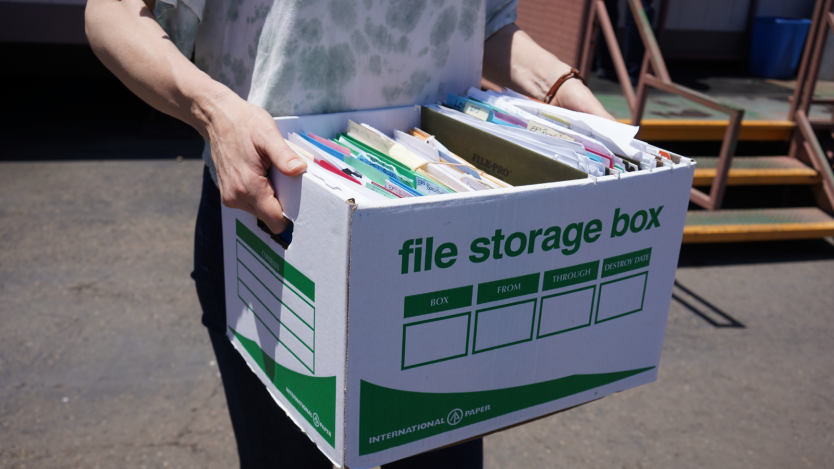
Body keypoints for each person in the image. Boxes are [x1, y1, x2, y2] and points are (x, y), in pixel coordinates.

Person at [85, 0, 615, 467]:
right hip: (279, 233)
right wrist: (214, 112)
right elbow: (113, 13)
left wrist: (559, 88)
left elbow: (483, 24)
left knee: (440, 446)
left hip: (443, 236)